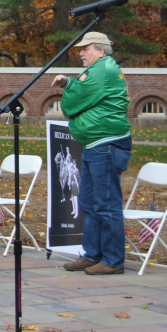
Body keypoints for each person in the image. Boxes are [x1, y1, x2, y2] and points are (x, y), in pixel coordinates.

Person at [52, 31, 131, 275]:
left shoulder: (102, 69)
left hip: (106, 144)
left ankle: (113, 260)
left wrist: (69, 94)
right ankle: (93, 254)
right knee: (89, 202)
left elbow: (72, 103)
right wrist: (68, 83)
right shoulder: (99, 69)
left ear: (99, 50)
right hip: (94, 144)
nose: (81, 53)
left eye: (85, 48)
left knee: (106, 205)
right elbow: (82, 92)